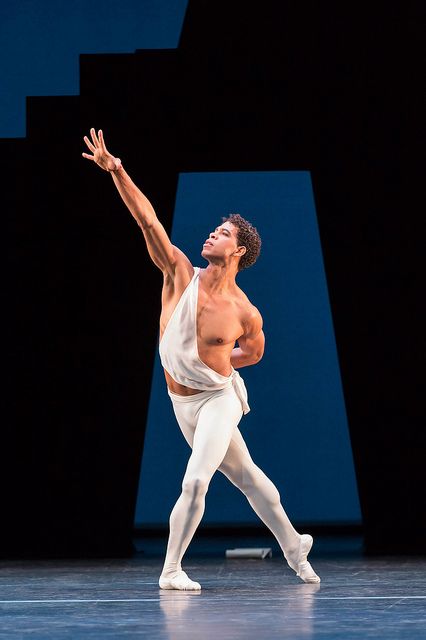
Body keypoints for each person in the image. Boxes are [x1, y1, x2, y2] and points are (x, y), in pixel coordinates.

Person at [82, 128, 321, 590]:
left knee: (196, 482)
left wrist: (219, 362)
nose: (213, 233)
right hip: (181, 403)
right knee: (248, 476)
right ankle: (296, 548)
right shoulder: (178, 274)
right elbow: (148, 222)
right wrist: (117, 171)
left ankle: (170, 570)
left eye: (224, 233)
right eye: (215, 228)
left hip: (218, 399)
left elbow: (252, 352)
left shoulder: (245, 311)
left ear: (239, 251)